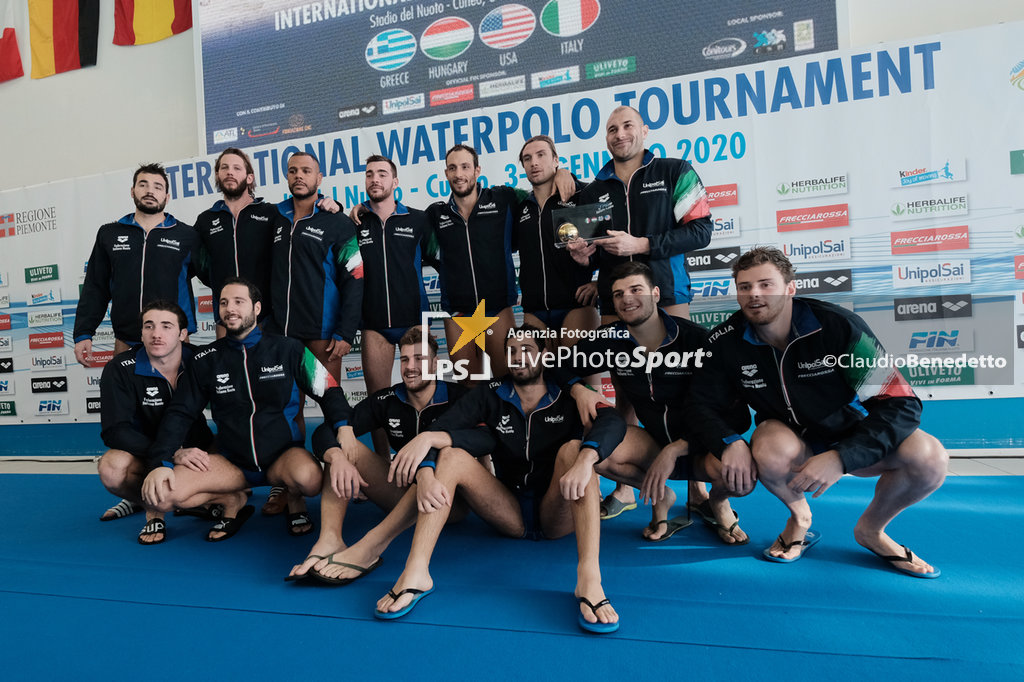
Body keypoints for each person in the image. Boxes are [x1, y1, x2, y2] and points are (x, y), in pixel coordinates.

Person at [690, 246, 948, 576]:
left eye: (766, 284)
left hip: (850, 432)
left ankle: (871, 530)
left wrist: (843, 457)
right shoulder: (725, 341)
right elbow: (701, 404)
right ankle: (800, 519)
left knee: (931, 457)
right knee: (767, 446)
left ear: (790, 288)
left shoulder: (837, 326)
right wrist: (730, 441)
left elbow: (901, 404)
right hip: (790, 440)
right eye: (745, 287)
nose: (754, 294)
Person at [369, 325, 626, 633]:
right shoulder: (491, 393)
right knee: (450, 453)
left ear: (544, 354)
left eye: (527, 350)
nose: (518, 358)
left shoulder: (570, 394)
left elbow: (612, 420)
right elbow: (448, 423)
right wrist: (426, 448)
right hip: (509, 511)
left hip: (557, 510)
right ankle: (416, 572)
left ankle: (589, 580)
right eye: (512, 352)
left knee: (575, 450)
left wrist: (588, 458)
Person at [141, 278, 352, 542]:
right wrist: (161, 461)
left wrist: (343, 427)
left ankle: (292, 497)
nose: (231, 309)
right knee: (163, 496)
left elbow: (329, 390)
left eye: (239, 302)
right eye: (224, 303)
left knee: (310, 481)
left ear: (257, 308)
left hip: (281, 458)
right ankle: (233, 498)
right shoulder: (206, 359)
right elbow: (180, 413)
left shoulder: (289, 349)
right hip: (231, 463)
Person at [557, 262, 751, 543]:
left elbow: (736, 414)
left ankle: (717, 502)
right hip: (652, 444)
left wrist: (677, 448)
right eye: (618, 294)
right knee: (597, 453)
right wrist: (579, 390)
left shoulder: (696, 339)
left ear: (656, 294)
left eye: (636, 289)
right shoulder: (610, 338)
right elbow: (557, 366)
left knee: (740, 477)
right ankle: (663, 496)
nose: (627, 299)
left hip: (700, 445)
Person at [287, 327, 481, 581]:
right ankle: (329, 540)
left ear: (435, 364)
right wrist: (336, 457)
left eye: (420, 359)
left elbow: (485, 440)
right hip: (402, 491)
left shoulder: (459, 398)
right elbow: (326, 430)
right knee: (344, 445)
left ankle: (372, 545)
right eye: (405, 359)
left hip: (445, 499)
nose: (411, 367)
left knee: (448, 458)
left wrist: (430, 458)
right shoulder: (387, 399)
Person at [424, 144, 574, 379]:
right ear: (446, 174)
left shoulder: (504, 199)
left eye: (465, 167)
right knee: (468, 388)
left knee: (508, 381)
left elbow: (540, 193)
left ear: (477, 170)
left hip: (497, 308)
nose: (459, 174)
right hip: (458, 313)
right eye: (452, 168)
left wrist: (562, 172)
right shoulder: (435, 214)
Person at [568, 106, 712, 321]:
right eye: (612, 130)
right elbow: (596, 254)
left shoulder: (675, 171)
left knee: (674, 355)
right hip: (614, 301)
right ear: (607, 138)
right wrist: (583, 259)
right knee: (616, 356)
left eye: (628, 126)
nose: (620, 134)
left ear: (644, 131)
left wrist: (643, 245)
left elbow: (701, 231)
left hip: (666, 293)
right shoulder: (592, 192)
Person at [96, 301, 213, 544]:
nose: (156, 334)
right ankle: (151, 508)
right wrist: (171, 453)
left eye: (166, 326)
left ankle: (188, 500)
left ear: (183, 334)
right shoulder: (119, 368)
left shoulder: (202, 361)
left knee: (232, 491)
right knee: (111, 468)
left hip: (198, 448)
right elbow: (114, 431)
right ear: (141, 333)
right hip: (146, 450)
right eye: (149, 326)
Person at [351, 155, 438, 458]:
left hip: (413, 321)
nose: (375, 179)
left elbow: (443, 259)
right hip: (374, 325)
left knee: (423, 395)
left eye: (382, 174)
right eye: (370, 174)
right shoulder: (355, 223)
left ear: (395, 182)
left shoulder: (418, 220)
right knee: (378, 401)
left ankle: (424, 459)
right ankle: (383, 463)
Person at [74, 163, 201, 366]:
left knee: (180, 396)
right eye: (143, 184)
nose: (150, 191)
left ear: (167, 197)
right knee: (127, 397)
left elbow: (210, 274)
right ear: (132, 192)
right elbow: (95, 287)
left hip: (174, 338)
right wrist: (83, 333)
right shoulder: (109, 234)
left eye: (158, 187)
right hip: (127, 338)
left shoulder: (187, 236)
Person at [269, 151, 363, 382]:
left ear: (319, 178)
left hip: (323, 332)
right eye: (293, 171)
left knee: (332, 405)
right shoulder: (275, 217)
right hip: (281, 331)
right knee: (289, 409)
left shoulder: (338, 222)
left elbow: (356, 277)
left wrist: (346, 332)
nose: (298, 176)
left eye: (305, 171)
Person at [515, 135, 599, 343]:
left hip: (576, 305)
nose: (534, 162)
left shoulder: (581, 195)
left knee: (578, 373)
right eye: (527, 158)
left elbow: (610, 243)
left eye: (541, 155)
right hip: (534, 310)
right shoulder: (521, 206)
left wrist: (602, 283)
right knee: (539, 375)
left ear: (555, 160)